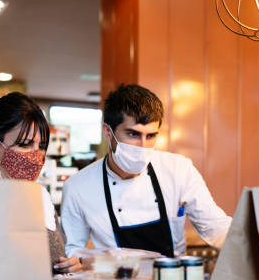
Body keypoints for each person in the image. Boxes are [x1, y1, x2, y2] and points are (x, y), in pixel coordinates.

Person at [61, 84, 232, 258]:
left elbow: (215, 227)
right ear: (108, 132)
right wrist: (80, 261)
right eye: (133, 134)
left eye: (150, 136)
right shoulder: (78, 187)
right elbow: (73, 250)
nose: (143, 147)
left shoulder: (179, 170)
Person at [0, 92, 81, 273]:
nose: (36, 156)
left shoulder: (41, 195)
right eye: (25, 144)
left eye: (41, 146)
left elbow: (57, 257)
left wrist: (71, 264)